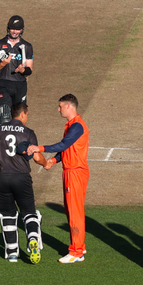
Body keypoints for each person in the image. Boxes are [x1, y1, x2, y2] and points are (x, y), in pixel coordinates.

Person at [27, 94, 89, 263]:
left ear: (69, 106)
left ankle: (76, 252)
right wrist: (52, 161)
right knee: (72, 210)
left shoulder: (76, 126)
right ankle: (79, 248)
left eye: (60, 106)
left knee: (74, 212)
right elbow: (66, 150)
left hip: (75, 172)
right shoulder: (72, 126)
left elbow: (63, 145)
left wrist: (38, 148)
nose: (58, 109)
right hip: (71, 171)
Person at [0, 102, 47, 263]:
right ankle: (33, 238)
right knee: (29, 212)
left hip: (3, 178)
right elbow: (36, 157)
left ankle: (12, 252)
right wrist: (45, 162)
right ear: (22, 114)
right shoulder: (28, 132)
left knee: (7, 215)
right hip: (22, 178)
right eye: (27, 114)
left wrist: (1, 157)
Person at [0, 15, 34, 126]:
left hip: (20, 85)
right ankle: (3, 142)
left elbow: (30, 70)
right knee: (4, 117)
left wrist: (22, 70)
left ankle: (18, 142)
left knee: (19, 117)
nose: (15, 31)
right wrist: (3, 63)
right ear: (8, 28)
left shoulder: (27, 46)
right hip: (4, 83)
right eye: (13, 28)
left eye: (18, 29)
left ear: (22, 30)